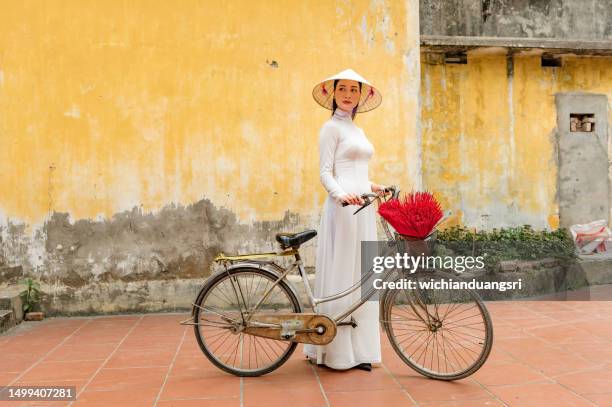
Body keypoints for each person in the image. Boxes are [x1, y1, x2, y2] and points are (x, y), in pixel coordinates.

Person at [303, 69, 388, 371]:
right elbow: (326, 172)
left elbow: (358, 172)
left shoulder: (358, 131)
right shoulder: (331, 128)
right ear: (333, 93)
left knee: (363, 278)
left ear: (361, 95)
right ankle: (337, 352)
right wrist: (341, 196)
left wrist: (374, 187)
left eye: (354, 89)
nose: (349, 94)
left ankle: (360, 351)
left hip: (363, 207)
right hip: (344, 209)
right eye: (343, 89)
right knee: (343, 275)